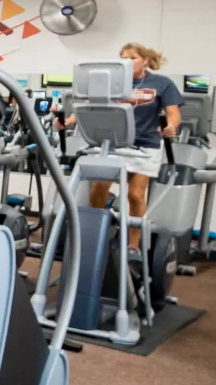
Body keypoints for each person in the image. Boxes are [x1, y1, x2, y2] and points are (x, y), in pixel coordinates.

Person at [61, 43, 183, 247]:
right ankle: (95, 235)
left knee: (135, 194)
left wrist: (171, 126)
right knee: (99, 187)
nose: (126, 62)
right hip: (113, 142)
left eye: (132, 58)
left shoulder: (162, 83)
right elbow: (90, 102)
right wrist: (70, 120)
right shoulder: (112, 81)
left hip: (144, 145)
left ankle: (133, 244)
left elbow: (173, 113)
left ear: (145, 60)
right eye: (123, 58)